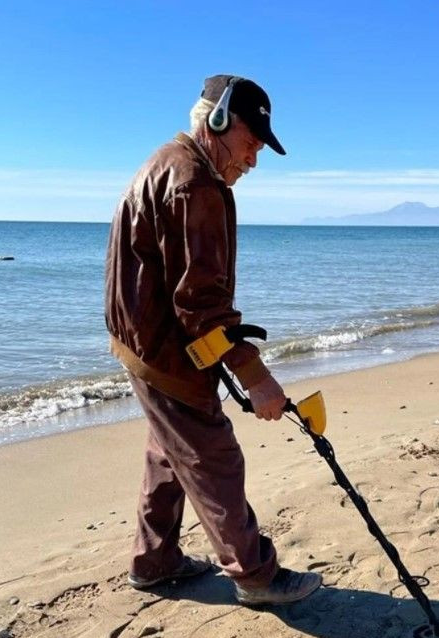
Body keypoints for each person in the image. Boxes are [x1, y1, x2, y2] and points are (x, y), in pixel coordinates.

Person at [104, 75, 322, 605]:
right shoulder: (193, 183)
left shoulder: (172, 164)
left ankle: (155, 561)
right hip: (164, 350)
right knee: (213, 455)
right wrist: (257, 377)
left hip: (144, 342)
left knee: (170, 449)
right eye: (251, 144)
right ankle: (256, 576)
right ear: (218, 123)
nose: (252, 161)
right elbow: (199, 304)